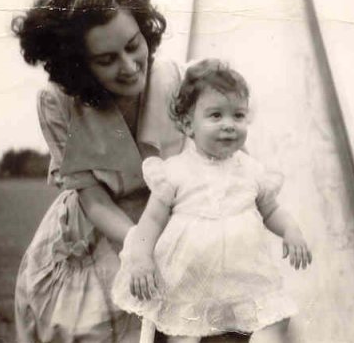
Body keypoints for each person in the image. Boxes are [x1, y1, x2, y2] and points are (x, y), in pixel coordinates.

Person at [12, 0, 186, 341]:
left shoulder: (173, 80)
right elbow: (92, 198)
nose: (129, 67)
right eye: (106, 60)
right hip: (100, 231)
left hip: (171, 220)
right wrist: (137, 245)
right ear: (77, 65)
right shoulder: (58, 102)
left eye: (133, 46)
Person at [111, 59, 312, 343]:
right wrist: (141, 257)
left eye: (238, 116)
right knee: (183, 330)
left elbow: (271, 209)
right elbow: (152, 221)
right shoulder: (175, 172)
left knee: (276, 319)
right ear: (187, 124)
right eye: (216, 116)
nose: (229, 125)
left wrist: (291, 230)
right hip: (188, 280)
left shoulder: (251, 170)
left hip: (241, 279)